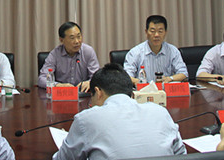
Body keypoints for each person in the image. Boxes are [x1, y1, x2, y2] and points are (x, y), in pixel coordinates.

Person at [53, 63, 185, 159]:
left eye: (91, 99)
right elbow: (181, 154)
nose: (91, 105)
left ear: (98, 92)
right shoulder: (160, 112)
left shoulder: (86, 119)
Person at [124, 15, 188, 84]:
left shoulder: (173, 51)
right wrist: (140, 82)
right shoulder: (135, 52)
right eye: (152, 31)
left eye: (160, 31)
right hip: (144, 89)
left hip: (165, 89)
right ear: (146, 32)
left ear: (165, 32)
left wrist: (169, 79)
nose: (156, 35)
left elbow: (184, 73)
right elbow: (126, 76)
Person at [38, 21, 100, 93]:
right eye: (72, 38)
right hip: (63, 94)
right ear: (61, 40)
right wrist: (58, 85)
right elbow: (42, 79)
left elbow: (97, 77)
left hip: (84, 93)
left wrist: (90, 82)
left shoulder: (88, 51)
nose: (77, 41)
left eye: (79, 37)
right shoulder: (55, 54)